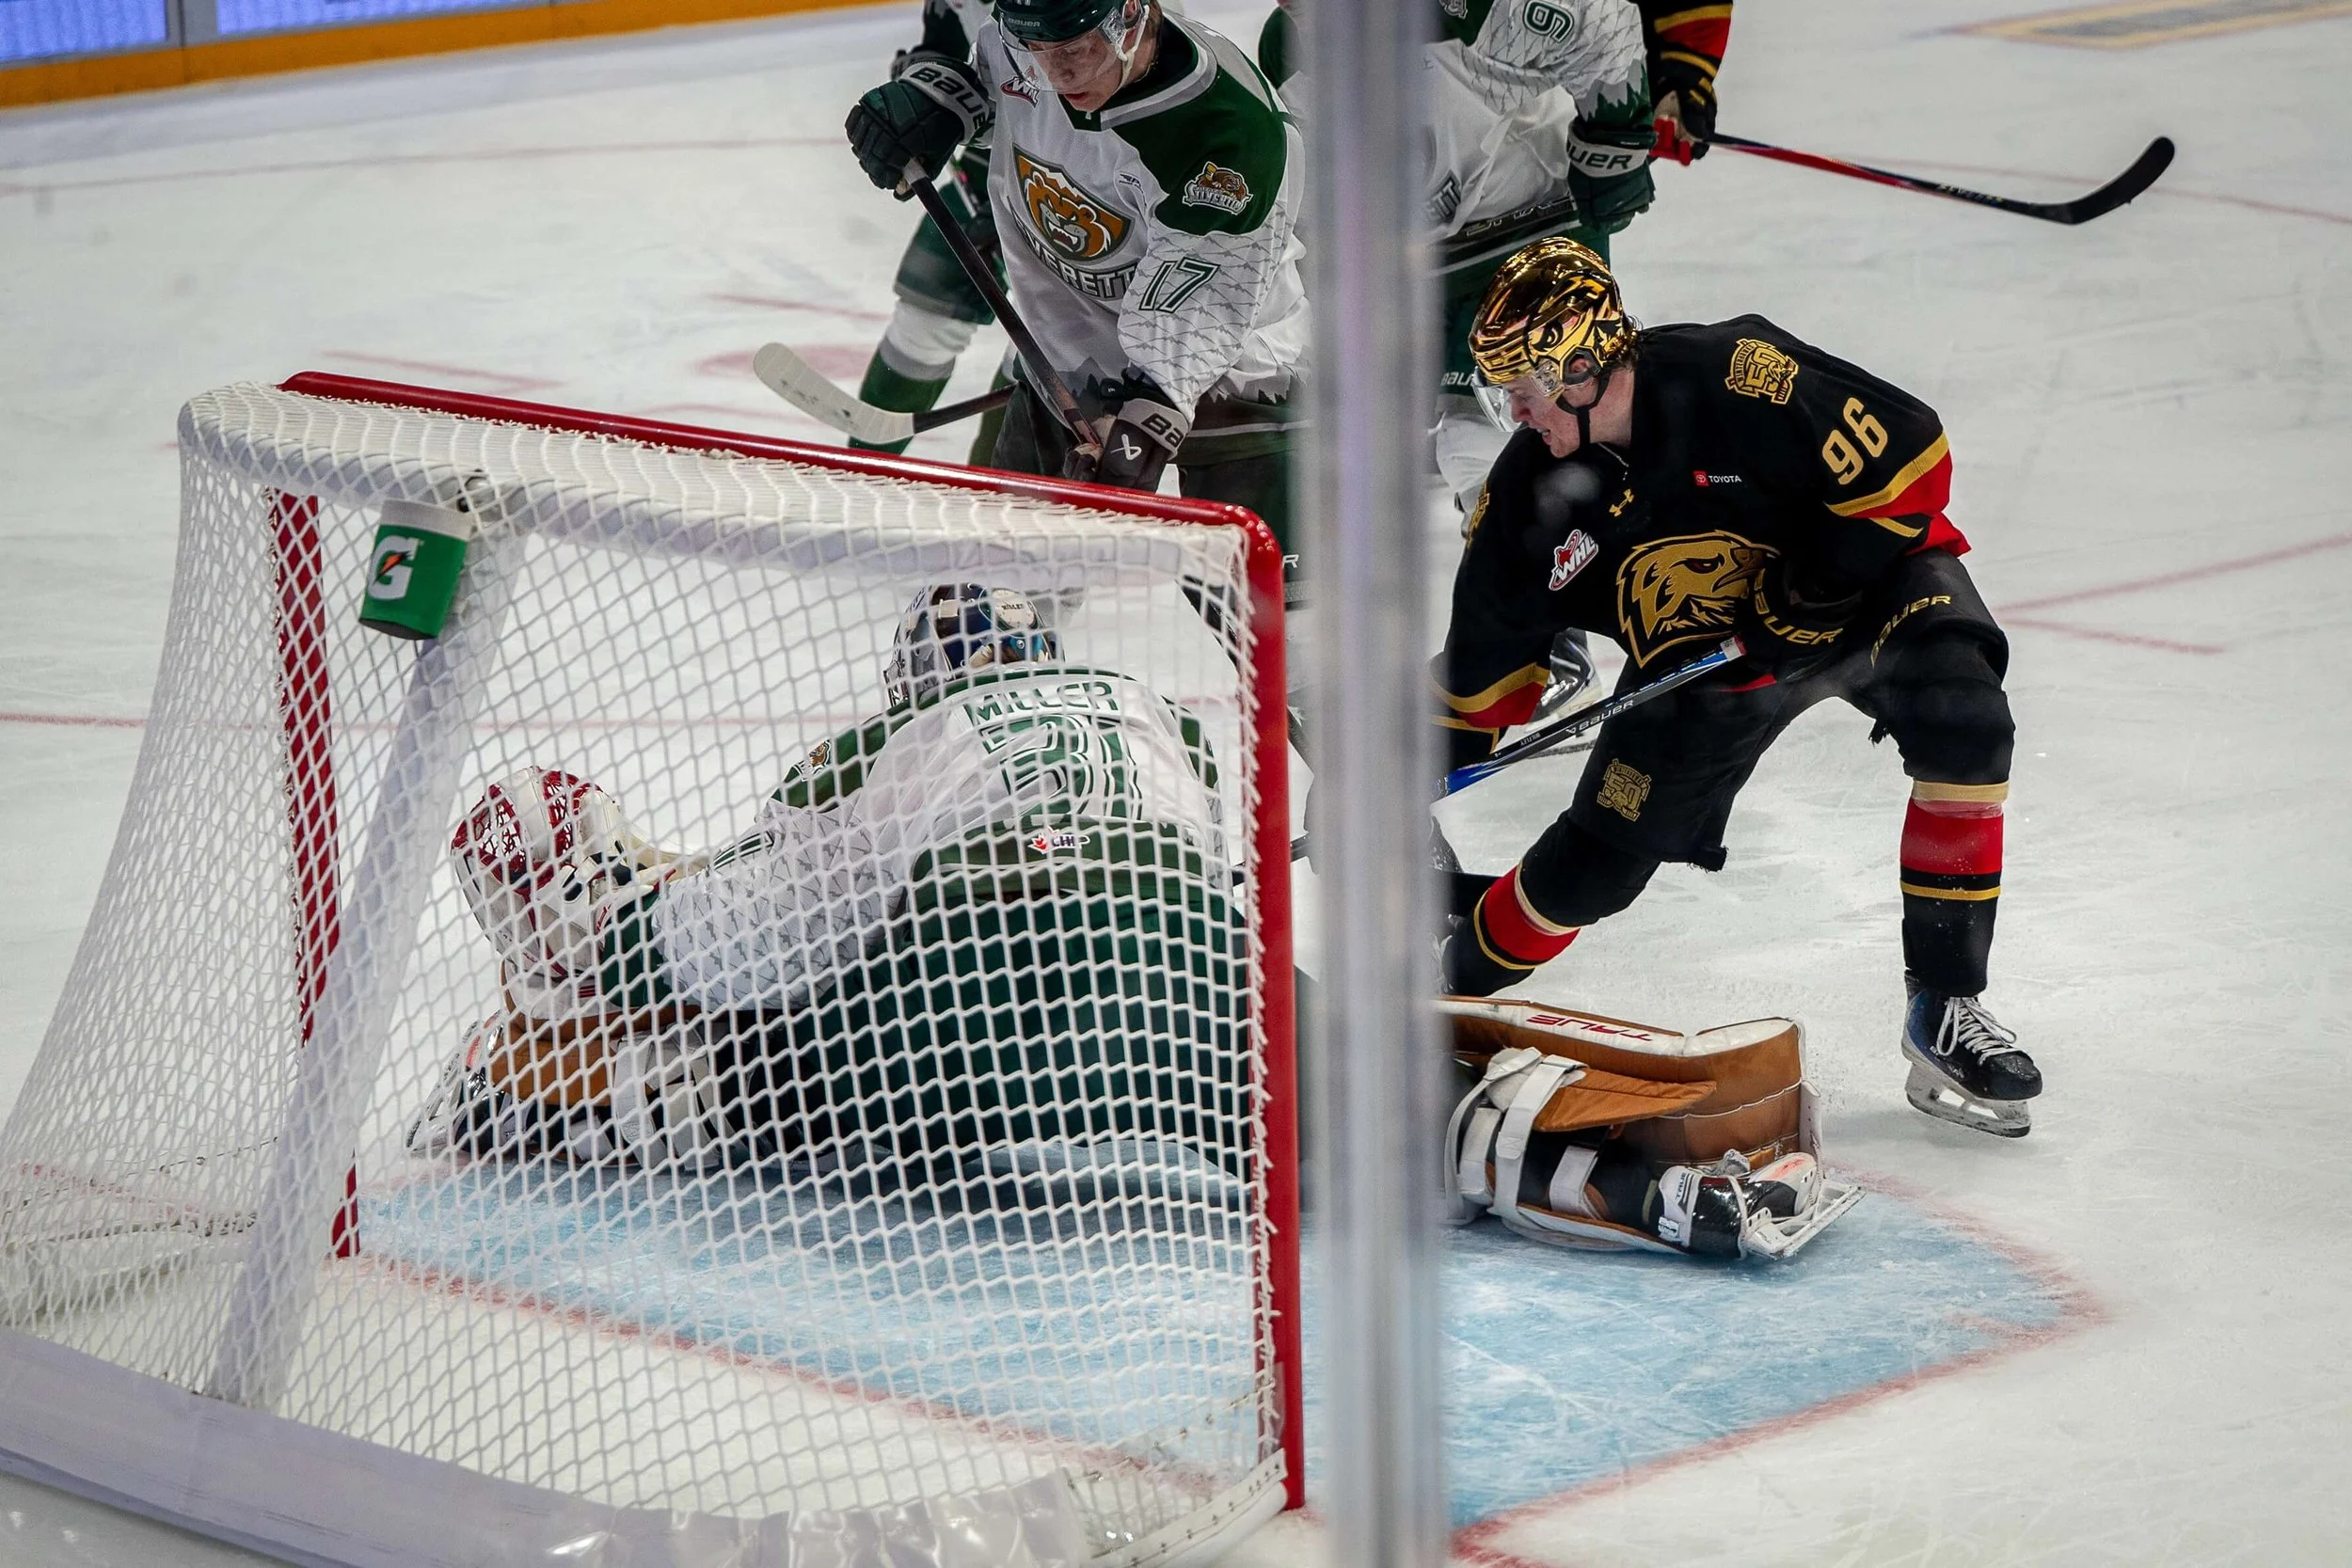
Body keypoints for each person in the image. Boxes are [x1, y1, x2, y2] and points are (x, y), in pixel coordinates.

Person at [1432, 238, 2043, 1138]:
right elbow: (1480, 688)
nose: (1515, 412)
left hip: (1863, 590)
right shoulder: (1530, 497)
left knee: (1968, 720)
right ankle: (1447, 983)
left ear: (1583, 361)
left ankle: (1945, 1003)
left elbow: (1912, 457)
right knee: (1589, 873)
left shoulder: (1740, 377)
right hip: (1708, 668)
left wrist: (1816, 582)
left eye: (1525, 385)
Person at [410, 585, 1245, 1173]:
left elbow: (777, 933)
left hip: (960, 1044)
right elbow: (1185, 875)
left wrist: (625, 934)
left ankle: (505, 1095)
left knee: (723, 1067)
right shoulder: (1166, 719)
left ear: (914, 678)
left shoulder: (884, 745)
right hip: (1191, 997)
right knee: (1350, 1100)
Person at [841, 0, 1305, 597]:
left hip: (1242, 377)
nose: (1057, 73)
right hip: (1071, 367)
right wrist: (934, 107)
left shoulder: (1226, 131)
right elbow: (991, 84)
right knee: (984, 609)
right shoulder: (1022, 42)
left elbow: (1189, 327)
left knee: (1285, 639)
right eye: (1039, 50)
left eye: (1077, 49)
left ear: (1131, 15)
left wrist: (1135, 434)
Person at [840, 0, 1014, 462]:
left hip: (1108, 174)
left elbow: (1094, 101)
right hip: (993, 164)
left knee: (1063, 348)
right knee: (924, 318)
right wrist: (922, 85)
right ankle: (861, 478)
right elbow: (948, 43)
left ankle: (1007, 496)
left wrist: (960, 110)